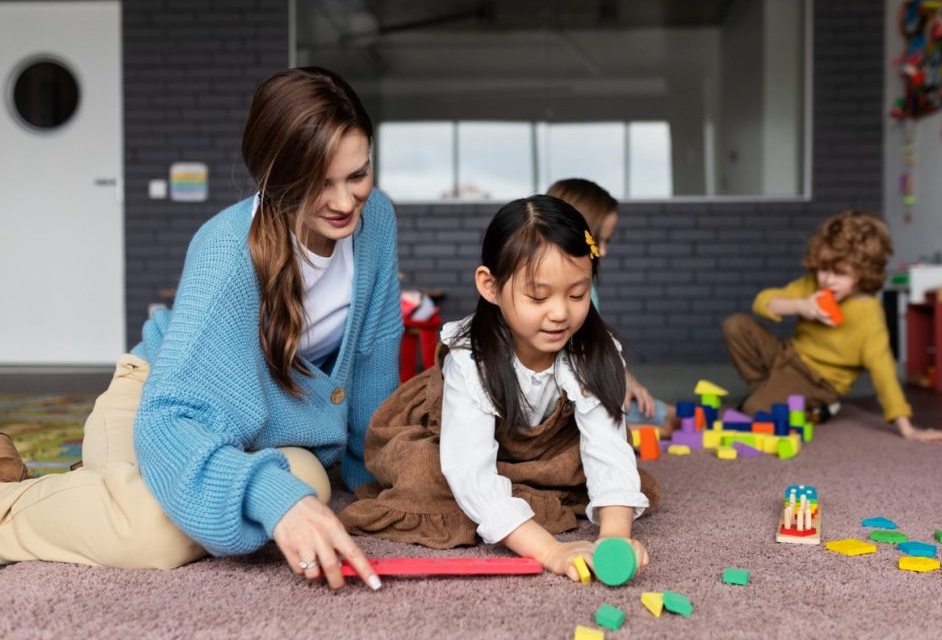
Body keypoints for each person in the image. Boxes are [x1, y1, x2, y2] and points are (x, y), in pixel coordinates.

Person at [0, 67, 401, 590]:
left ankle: (98, 489)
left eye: (358, 175)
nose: (346, 202)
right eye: (319, 184)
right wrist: (267, 498)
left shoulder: (378, 224)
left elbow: (372, 356)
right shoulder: (227, 253)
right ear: (274, 177)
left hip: (262, 432)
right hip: (157, 404)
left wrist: (371, 479)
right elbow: (170, 418)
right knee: (153, 532)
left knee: (303, 484)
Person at [340, 195, 660, 580]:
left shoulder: (593, 350)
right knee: (426, 474)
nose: (560, 313)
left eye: (577, 295)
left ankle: (520, 492)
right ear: (490, 286)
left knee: (606, 473)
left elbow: (607, 449)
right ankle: (518, 505)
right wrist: (550, 551)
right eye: (538, 296)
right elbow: (469, 468)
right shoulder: (471, 358)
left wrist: (614, 538)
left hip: (545, 451)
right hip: (454, 439)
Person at [721, 210, 942, 442]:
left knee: (753, 410)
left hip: (818, 381)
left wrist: (907, 428)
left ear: (863, 272)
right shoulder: (812, 287)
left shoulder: (868, 313)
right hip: (787, 356)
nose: (828, 280)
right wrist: (800, 306)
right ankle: (778, 398)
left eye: (840, 273)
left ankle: (782, 401)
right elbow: (763, 302)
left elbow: (884, 371)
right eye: (823, 269)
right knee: (735, 325)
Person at [546, 178, 676, 434]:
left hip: (591, 378)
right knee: (665, 423)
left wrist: (626, 379)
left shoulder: (586, 285)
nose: (602, 251)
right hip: (567, 390)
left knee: (668, 414)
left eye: (607, 241)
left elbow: (594, 343)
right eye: (598, 240)